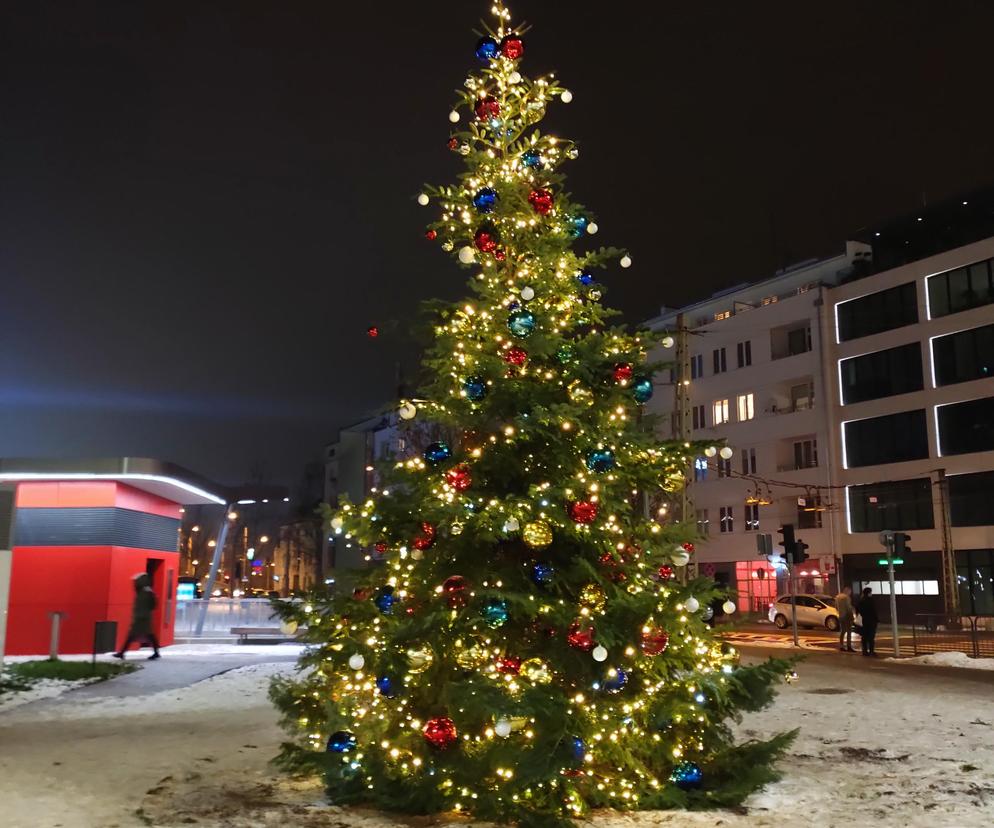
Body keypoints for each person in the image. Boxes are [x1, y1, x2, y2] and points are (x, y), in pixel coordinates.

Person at [113, 573, 160, 660]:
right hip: (144, 617)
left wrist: (140, 614)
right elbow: (153, 605)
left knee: (133, 635)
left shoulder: (145, 592)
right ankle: (156, 652)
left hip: (141, 617)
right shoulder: (146, 591)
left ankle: (122, 653)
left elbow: (150, 605)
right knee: (148, 634)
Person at [856, 586, 879, 656]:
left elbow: (857, 610)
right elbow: (873, 610)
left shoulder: (861, 601)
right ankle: (871, 651)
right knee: (871, 637)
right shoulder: (870, 600)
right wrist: (877, 619)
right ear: (869, 593)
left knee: (864, 636)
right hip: (871, 621)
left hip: (864, 621)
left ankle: (865, 651)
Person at [835, 585, 856, 652]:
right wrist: (852, 616)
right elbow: (848, 608)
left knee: (843, 631)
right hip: (847, 616)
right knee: (849, 631)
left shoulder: (837, 597)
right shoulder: (847, 598)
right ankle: (849, 646)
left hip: (841, 616)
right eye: (850, 591)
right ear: (847, 591)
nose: (850, 593)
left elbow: (836, 607)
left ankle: (841, 646)